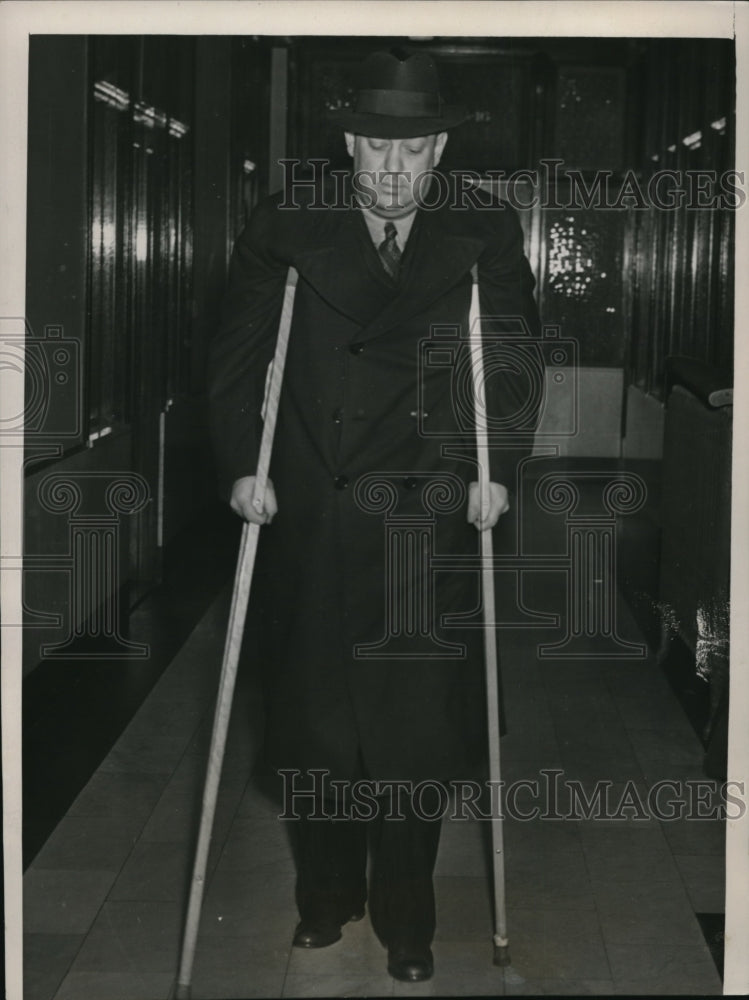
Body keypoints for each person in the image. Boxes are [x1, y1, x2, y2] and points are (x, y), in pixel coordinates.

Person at [208, 47, 541, 983]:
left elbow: (508, 355)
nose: (394, 174)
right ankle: (325, 898)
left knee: (411, 730)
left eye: (416, 152)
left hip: (424, 513)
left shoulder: (480, 227)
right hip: (315, 501)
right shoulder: (288, 222)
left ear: (439, 150)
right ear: (351, 142)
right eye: (377, 151)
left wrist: (496, 465)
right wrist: (244, 465)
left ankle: (406, 918)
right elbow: (237, 358)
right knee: (317, 724)